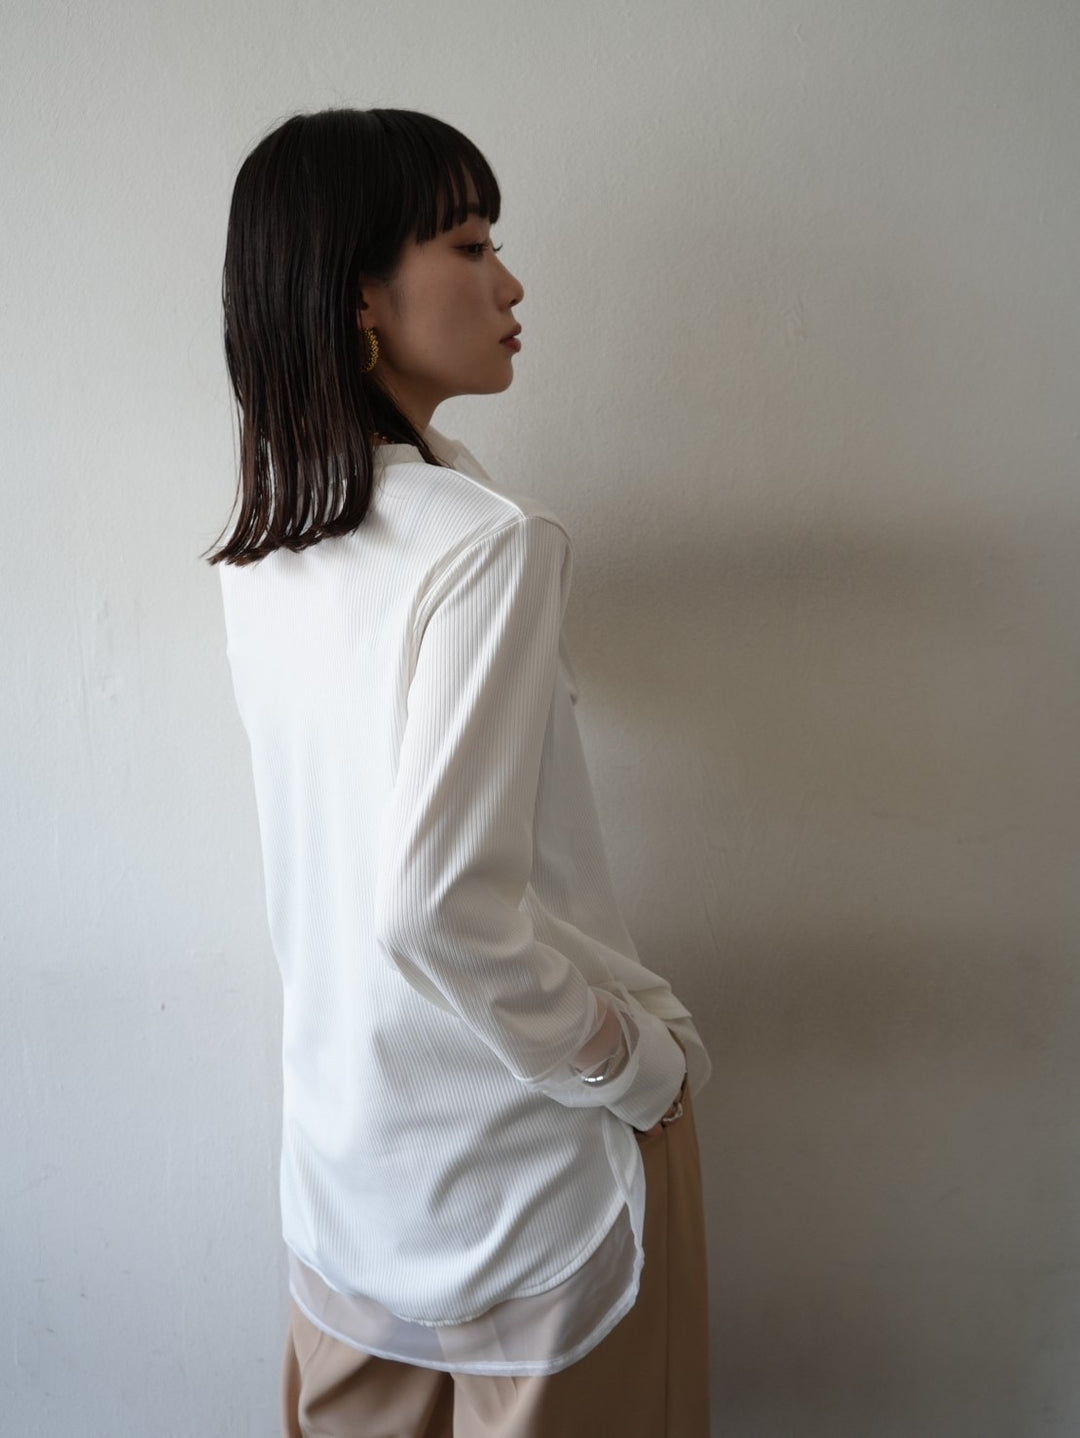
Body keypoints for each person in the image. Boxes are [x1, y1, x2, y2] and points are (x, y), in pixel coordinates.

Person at [208, 106, 713, 1437]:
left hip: (348, 1181)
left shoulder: (264, 548)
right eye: (472, 245)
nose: (512, 284)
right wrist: (633, 1067)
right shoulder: (488, 542)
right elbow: (437, 907)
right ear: (359, 298)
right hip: (536, 1183)